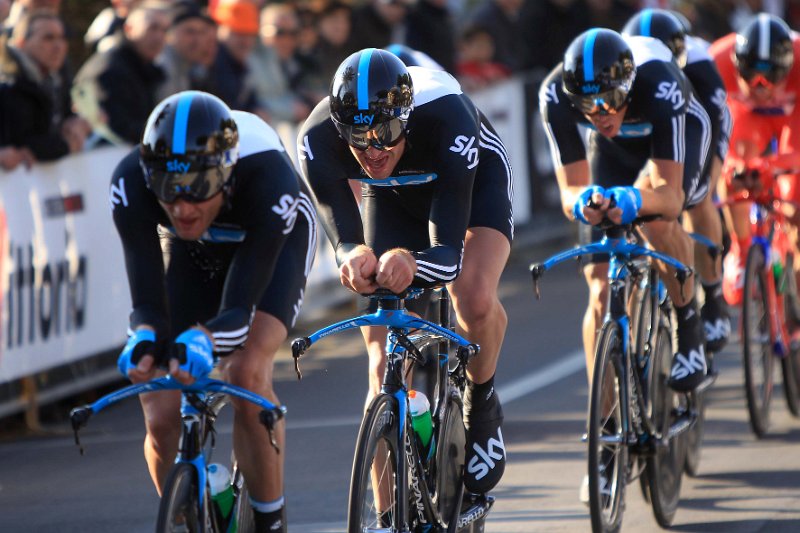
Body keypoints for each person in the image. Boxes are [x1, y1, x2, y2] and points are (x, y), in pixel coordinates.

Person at [297, 48, 512, 495]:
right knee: (381, 368)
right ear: (339, 130)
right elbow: (344, 237)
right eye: (359, 137)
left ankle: (482, 401)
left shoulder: (447, 118)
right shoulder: (316, 138)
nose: (373, 149)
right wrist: (352, 256)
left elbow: (448, 256)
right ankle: (386, 512)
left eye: (386, 132)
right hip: (391, 197)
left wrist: (412, 262)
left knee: (471, 295)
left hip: (466, 184)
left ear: (406, 118)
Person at [110, 91, 317, 533]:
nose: (183, 208)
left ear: (225, 175)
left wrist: (202, 340)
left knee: (245, 371)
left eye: (198, 191)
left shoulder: (268, 179)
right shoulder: (130, 180)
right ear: (151, 177)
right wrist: (145, 338)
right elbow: (148, 304)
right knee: (159, 407)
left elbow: (239, 313)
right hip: (194, 251)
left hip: (269, 241)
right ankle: (191, 514)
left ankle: (269, 520)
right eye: (169, 193)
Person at [538, 28, 711, 501]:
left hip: (671, 138)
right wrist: (587, 203)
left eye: (611, 100)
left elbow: (672, 196)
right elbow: (571, 190)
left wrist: (636, 198)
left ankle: (687, 321)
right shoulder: (555, 93)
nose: (601, 113)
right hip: (611, 155)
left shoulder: (658, 81)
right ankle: (606, 436)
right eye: (588, 106)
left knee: (658, 223)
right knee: (598, 294)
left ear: (628, 85)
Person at [622, 8, 732, 353]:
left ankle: (713, 297)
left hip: (697, 123)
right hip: (646, 126)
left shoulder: (698, 64)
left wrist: (702, 184)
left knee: (699, 199)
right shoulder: (627, 66)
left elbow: (713, 129)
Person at [710, 13, 800, 309]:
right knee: (736, 174)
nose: (761, 86)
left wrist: (774, 166)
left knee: (793, 199)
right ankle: (741, 247)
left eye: (771, 76)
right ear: (735, 66)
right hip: (748, 119)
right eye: (750, 76)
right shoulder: (716, 61)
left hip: (793, 119)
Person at [72, 1, 169, 145]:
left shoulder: (148, 70)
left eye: (164, 30)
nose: (159, 37)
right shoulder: (110, 69)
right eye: (152, 28)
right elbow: (116, 128)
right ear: (129, 29)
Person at [0, 11, 90, 164]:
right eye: (48, 38)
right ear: (21, 42)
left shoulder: (56, 80)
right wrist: (66, 145)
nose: (58, 46)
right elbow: (25, 144)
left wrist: (77, 122)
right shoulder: (9, 87)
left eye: (62, 38)